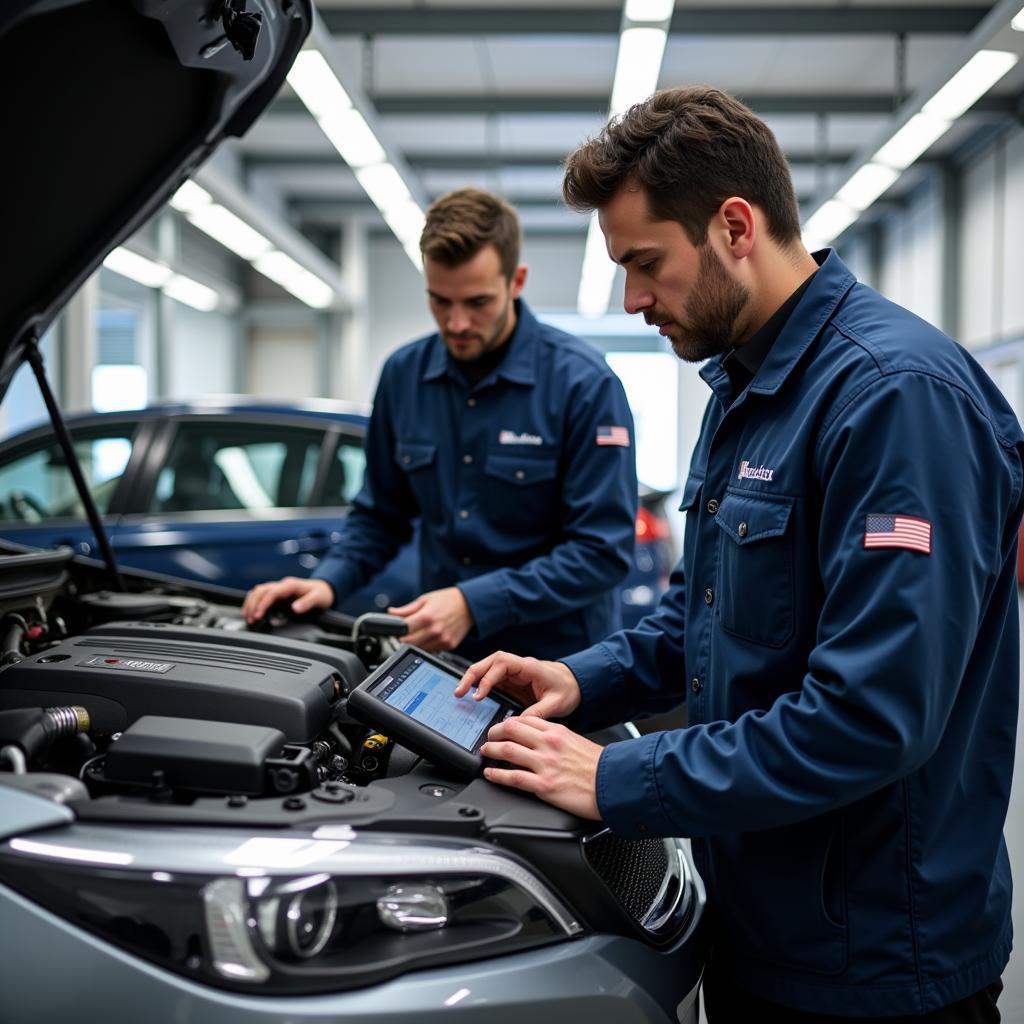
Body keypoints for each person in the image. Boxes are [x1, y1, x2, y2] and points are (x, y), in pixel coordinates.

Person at [456, 87, 1022, 1022]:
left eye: (646, 264)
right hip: (756, 916)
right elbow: (703, 617)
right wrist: (576, 679)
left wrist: (616, 779)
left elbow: (872, 717)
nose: (633, 300)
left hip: (872, 962)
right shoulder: (746, 382)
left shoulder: (895, 400)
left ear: (733, 226)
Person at [242, 187, 638, 661]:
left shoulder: (584, 385)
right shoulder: (403, 376)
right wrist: (326, 582)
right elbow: (380, 517)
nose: (456, 323)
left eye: (477, 302)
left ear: (517, 281)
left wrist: (475, 603)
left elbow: (602, 553)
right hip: (446, 663)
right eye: (439, 301)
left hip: (554, 668)